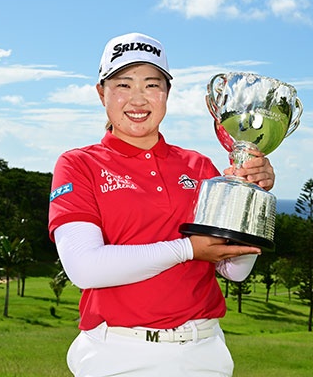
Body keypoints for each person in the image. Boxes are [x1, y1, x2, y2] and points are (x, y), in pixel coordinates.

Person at [48, 32, 276, 377]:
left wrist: (248, 197)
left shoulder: (199, 167)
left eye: (152, 85)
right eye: (123, 85)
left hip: (205, 352)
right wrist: (188, 249)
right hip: (118, 355)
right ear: (101, 93)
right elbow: (85, 268)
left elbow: (236, 271)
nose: (138, 99)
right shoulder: (80, 164)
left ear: (167, 93)